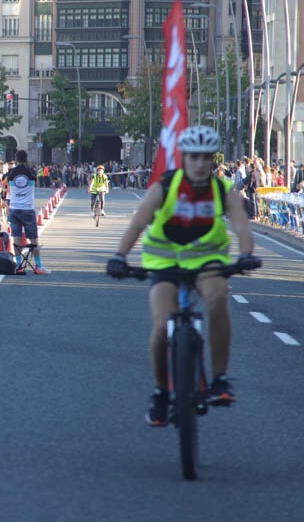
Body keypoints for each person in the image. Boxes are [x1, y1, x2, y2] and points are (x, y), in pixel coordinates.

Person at [107, 126, 260, 427]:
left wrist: (246, 254)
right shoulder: (165, 187)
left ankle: (219, 379)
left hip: (206, 260)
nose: (199, 164)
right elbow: (138, 223)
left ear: (213, 160)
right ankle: (161, 393)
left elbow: (242, 225)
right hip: (164, 261)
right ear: (183, 158)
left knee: (217, 300)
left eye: (206, 158)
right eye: (193, 157)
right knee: (162, 324)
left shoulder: (221, 190)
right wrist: (119, 256)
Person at [4, 149, 51, 274]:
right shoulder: (31, 172)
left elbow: (7, 184)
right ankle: (38, 265)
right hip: (27, 208)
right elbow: (35, 182)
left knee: (17, 238)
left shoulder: (11, 173)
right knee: (34, 239)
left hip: (14, 207)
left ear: (16, 159)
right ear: (26, 159)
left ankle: (19, 265)